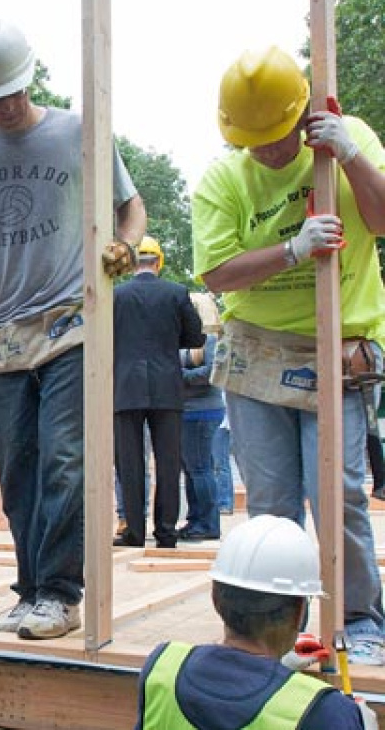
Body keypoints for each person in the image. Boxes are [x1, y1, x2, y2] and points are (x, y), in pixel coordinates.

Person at [0, 19, 146, 639]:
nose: (2, 106)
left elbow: (129, 206)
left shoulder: (77, 133)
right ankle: (30, 589)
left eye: (11, 92)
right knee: (16, 471)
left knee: (63, 460)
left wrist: (125, 247)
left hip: (70, 323)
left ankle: (60, 593)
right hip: (5, 332)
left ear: (29, 79)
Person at [193, 45, 385, 664]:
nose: (270, 151)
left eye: (278, 137)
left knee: (340, 493)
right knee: (271, 502)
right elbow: (218, 274)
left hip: (340, 347)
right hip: (259, 355)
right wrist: (293, 250)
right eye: (256, 141)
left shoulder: (343, 142)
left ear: (301, 115)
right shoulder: (225, 179)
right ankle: (267, 632)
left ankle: (359, 620)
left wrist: (350, 156)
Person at [136, 515, 375, 729]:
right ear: (299, 611)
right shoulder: (324, 712)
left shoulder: (161, 668)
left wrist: (270, 667)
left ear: (214, 597)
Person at [113, 236, 204, 549]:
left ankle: (134, 532)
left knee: (129, 462)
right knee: (168, 462)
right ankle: (166, 532)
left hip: (125, 387)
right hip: (167, 386)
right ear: (159, 261)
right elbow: (196, 337)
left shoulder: (116, 295)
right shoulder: (177, 293)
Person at [180, 327, 225, 541]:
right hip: (187, 412)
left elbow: (211, 374)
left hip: (202, 412)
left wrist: (178, 375)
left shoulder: (210, 342)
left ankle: (207, 524)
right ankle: (196, 520)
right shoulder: (180, 340)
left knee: (200, 469)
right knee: (192, 470)